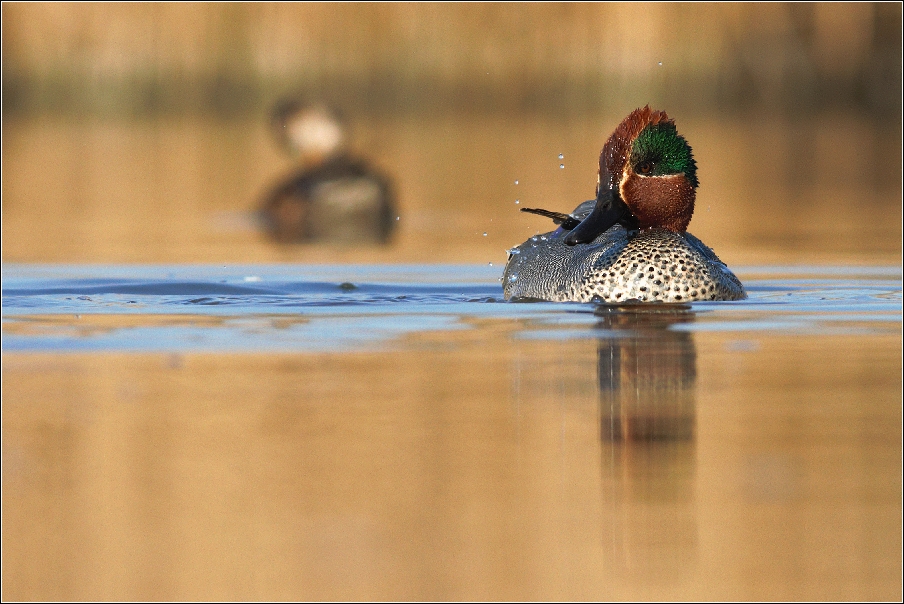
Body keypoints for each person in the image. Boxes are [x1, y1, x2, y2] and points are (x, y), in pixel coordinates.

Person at [260, 100, 396, 244]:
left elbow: (271, 214)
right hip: (370, 199)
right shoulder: (369, 177)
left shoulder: (295, 187)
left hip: (319, 205)